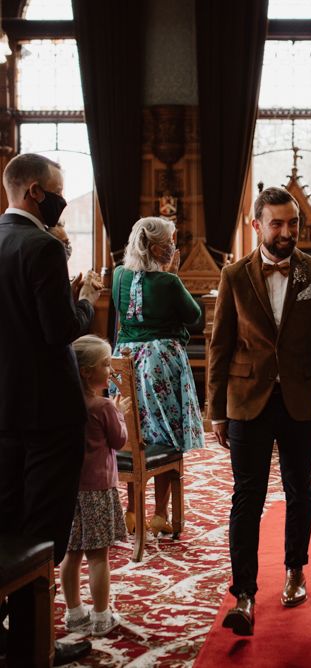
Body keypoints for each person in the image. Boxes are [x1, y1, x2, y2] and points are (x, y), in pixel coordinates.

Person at [207, 186, 311, 637]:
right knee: (246, 496)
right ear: (256, 226)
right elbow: (220, 345)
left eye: (293, 224)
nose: (286, 232)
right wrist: (216, 410)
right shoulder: (233, 276)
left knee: (299, 489)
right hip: (247, 398)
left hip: (301, 399)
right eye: (277, 224)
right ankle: (244, 592)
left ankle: (295, 570)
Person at [0, 152, 101, 664]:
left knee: (8, 519)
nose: (62, 199)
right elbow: (57, 331)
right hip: (48, 414)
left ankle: (11, 635)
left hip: (5, 410)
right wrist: (82, 304)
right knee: (43, 529)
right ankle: (32, 643)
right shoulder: (40, 245)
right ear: (36, 191)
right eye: (59, 190)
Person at [110, 216, 204, 535]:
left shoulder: (119, 276)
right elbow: (195, 317)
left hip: (123, 360)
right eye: (170, 242)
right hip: (159, 363)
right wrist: (172, 275)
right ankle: (161, 514)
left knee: (132, 433)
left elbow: (123, 315)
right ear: (156, 246)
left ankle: (132, 512)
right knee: (166, 434)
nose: (174, 247)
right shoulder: (168, 282)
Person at [60, 335, 130, 637]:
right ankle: (102, 616)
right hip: (98, 489)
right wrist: (120, 414)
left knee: (70, 554)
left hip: (69, 490)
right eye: (105, 364)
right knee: (98, 556)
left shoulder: (64, 404)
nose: (110, 370)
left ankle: (74, 613)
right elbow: (119, 441)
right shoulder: (103, 407)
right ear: (87, 371)